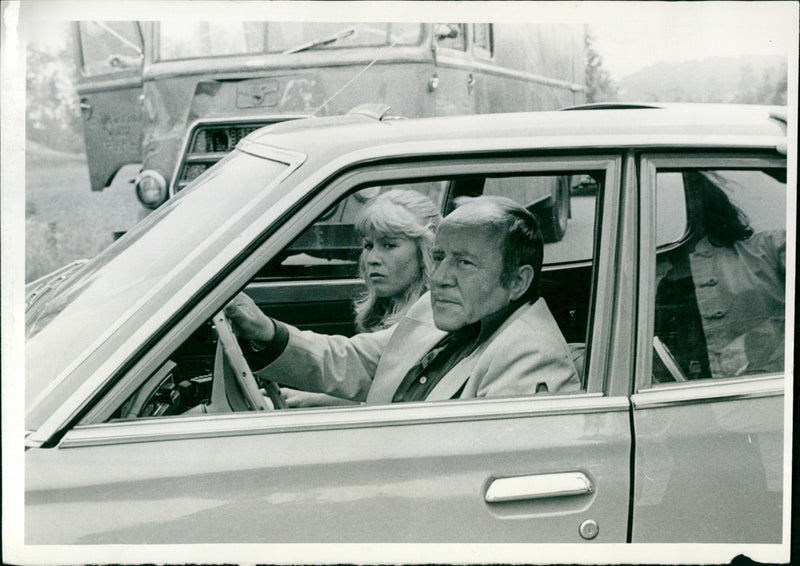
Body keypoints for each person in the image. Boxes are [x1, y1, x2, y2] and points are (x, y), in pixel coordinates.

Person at [226, 195, 580, 404]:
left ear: (517, 281)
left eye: (464, 263)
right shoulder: (441, 310)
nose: (439, 277)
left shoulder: (529, 355)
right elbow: (356, 361)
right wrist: (265, 331)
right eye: (439, 257)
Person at [282, 188, 442, 407]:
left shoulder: (434, 318)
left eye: (389, 245)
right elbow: (374, 386)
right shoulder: (392, 309)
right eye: (368, 245)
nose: (372, 259)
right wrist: (309, 399)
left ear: (426, 250)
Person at [654, 172, 785, 380]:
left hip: (756, 389)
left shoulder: (766, 251)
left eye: (676, 198)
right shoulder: (637, 271)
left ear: (701, 200)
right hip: (674, 393)